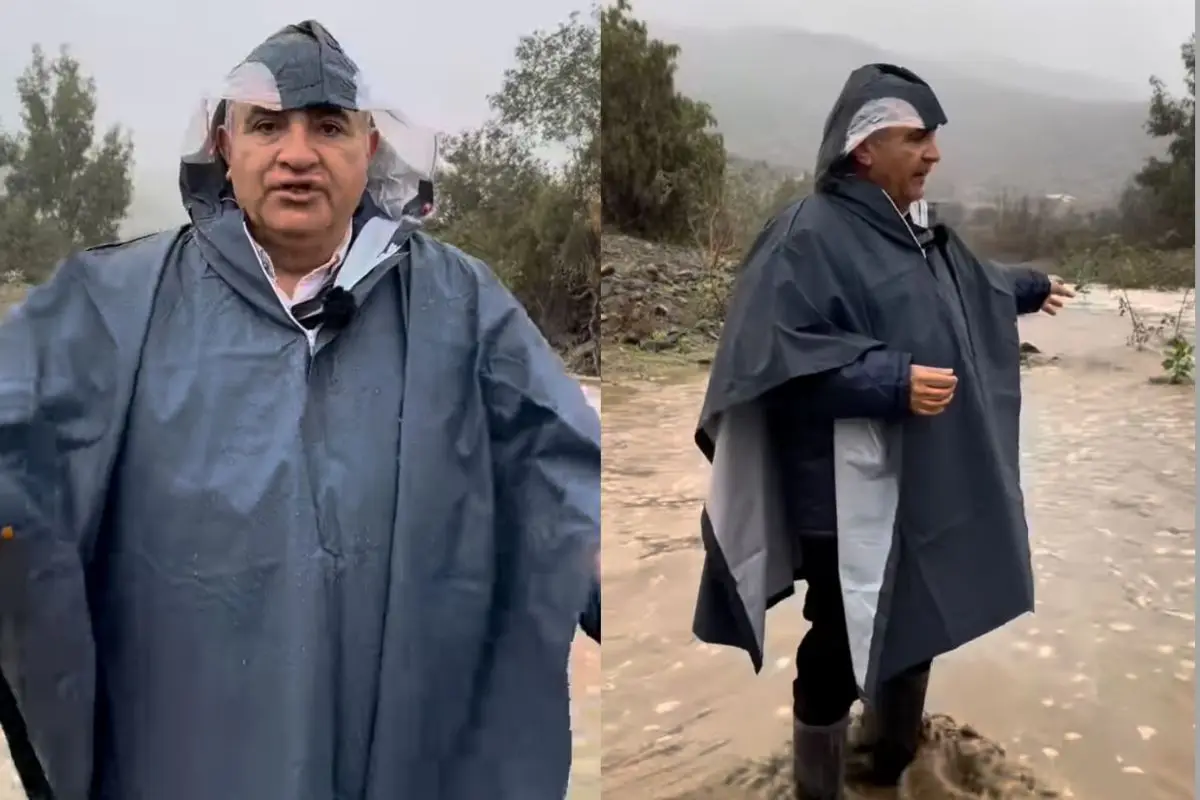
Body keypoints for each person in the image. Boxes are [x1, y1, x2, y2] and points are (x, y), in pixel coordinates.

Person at [0, 20, 598, 800]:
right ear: (224, 143)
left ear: (370, 145)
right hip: (182, 733)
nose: (296, 154)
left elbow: (566, 473)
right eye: (267, 125)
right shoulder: (112, 302)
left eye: (327, 125)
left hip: (403, 730)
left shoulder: (461, 304)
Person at [689, 63, 1074, 800]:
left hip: (915, 483)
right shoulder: (803, 236)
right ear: (865, 150)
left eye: (934, 139)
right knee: (837, 644)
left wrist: (1029, 285)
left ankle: (886, 766)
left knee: (914, 623)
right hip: (841, 495)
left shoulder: (915, 231)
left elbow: (971, 283)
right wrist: (888, 381)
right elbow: (769, 360)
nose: (933, 154)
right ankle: (819, 786)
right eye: (918, 138)